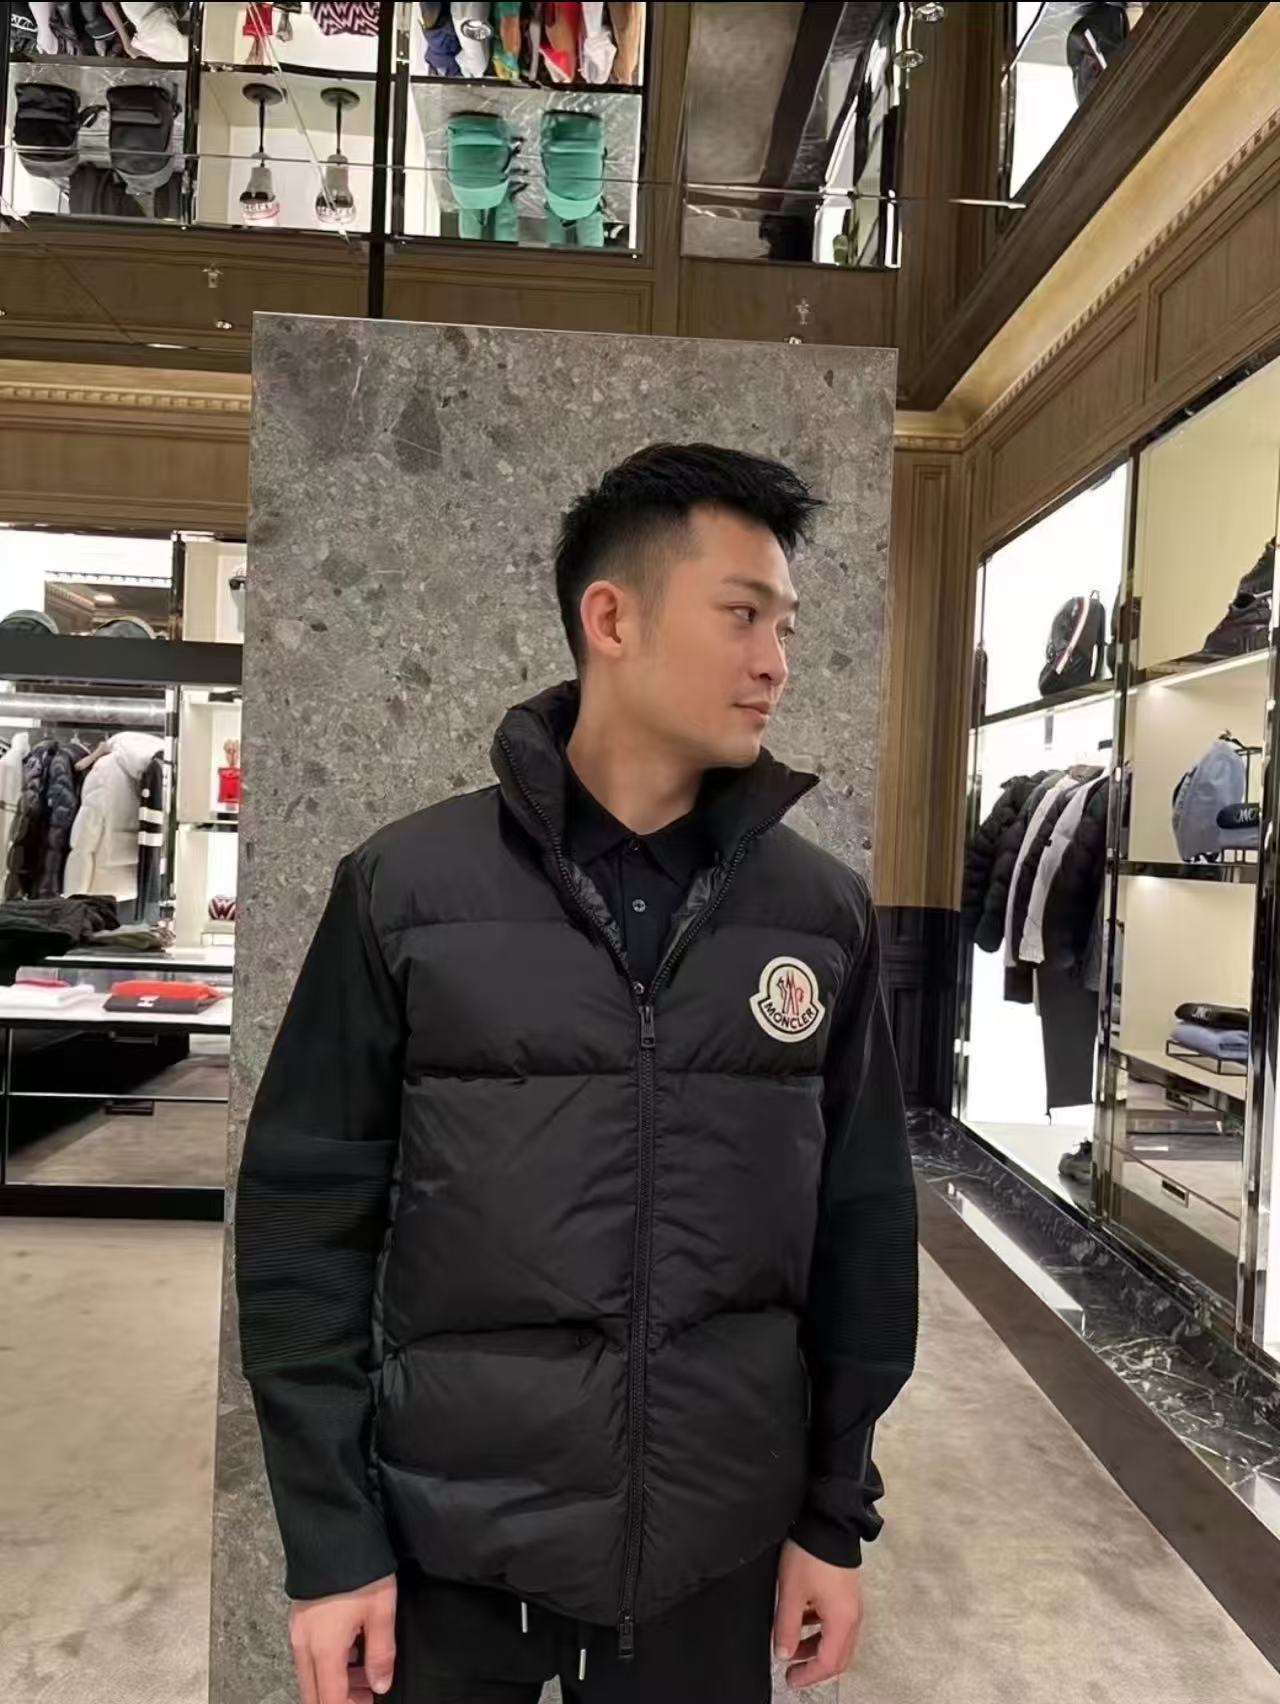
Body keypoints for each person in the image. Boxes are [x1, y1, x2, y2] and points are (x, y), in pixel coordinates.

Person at [235, 442, 919, 1704]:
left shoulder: (816, 917)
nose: (774, 661)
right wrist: (331, 1542)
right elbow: (302, 1229)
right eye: (741, 615)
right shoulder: (404, 891)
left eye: (784, 625)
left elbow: (862, 1227)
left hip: (713, 1552)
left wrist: (833, 1514)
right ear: (611, 619)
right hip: (447, 1552)